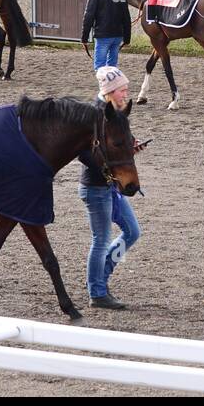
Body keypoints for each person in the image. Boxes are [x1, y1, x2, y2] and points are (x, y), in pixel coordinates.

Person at [77, 66, 146, 310]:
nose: (126, 94)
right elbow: (83, 153)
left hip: (110, 187)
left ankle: (101, 276)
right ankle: (97, 292)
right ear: (110, 91)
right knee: (101, 239)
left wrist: (130, 147)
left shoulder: (114, 112)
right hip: (95, 189)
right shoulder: (93, 115)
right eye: (123, 90)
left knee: (133, 232)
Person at [81, 0, 131, 71]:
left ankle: (104, 87)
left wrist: (84, 37)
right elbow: (126, 16)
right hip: (118, 35)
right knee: (112, 66)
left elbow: (89, 16)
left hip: (103, 35)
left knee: (100, 67)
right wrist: (127, 38)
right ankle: (112, 86)